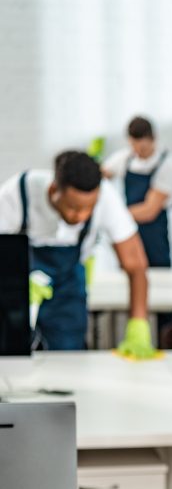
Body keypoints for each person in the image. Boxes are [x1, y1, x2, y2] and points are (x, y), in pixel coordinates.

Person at [0, 150, 155, 356]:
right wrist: (14, 284)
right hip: (18, 292)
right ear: (55, 189)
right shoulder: (18, 193)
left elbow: (135, 265)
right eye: (73, 208)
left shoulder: (106, 198)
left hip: (68, 290)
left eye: (88, 209)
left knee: (68, 356)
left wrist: (138, 325)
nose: (81, 216)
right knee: (10, 354)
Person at [102, 116, 172, 343]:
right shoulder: (123, 160)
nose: (138, 150)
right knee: (129, 289)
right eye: (134, 145)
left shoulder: (167, 166)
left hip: (155, 241)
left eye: (143, 145)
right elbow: (99, 177)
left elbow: (149, 210)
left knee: (162, 297)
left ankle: (169, 343)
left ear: (153, 139)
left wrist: (113, 214)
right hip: (130, 237)